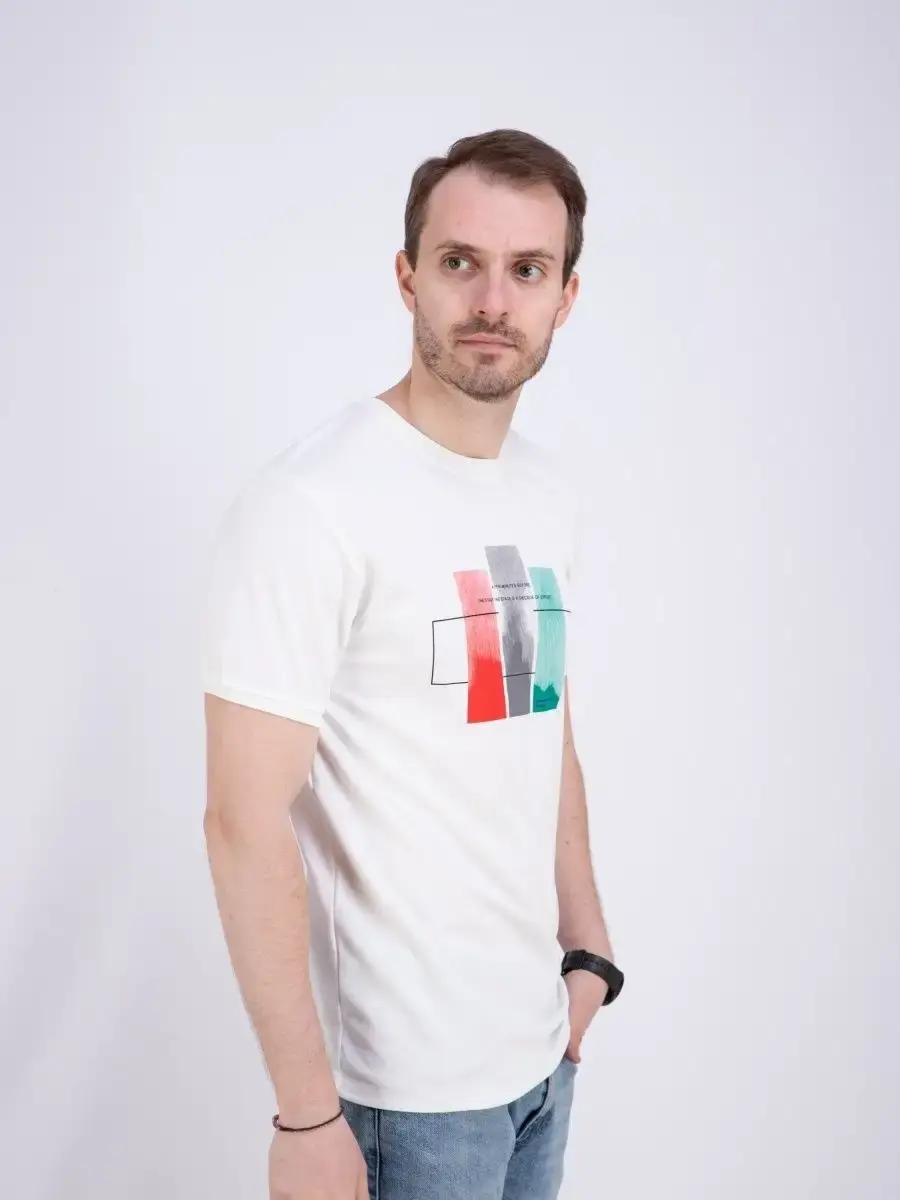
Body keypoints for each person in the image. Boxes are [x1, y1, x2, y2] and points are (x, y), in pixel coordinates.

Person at [201, 128, 624, 1200]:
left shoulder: (546, 494)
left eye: (527, 269)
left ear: (565, 297)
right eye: (459, 262)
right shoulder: (312, 505)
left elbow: (542, 719)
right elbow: (242, 821)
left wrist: (588, 945)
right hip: (402, 1098)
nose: (491, 300)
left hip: (540, 1055)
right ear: (407, 277)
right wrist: (307, 1115)